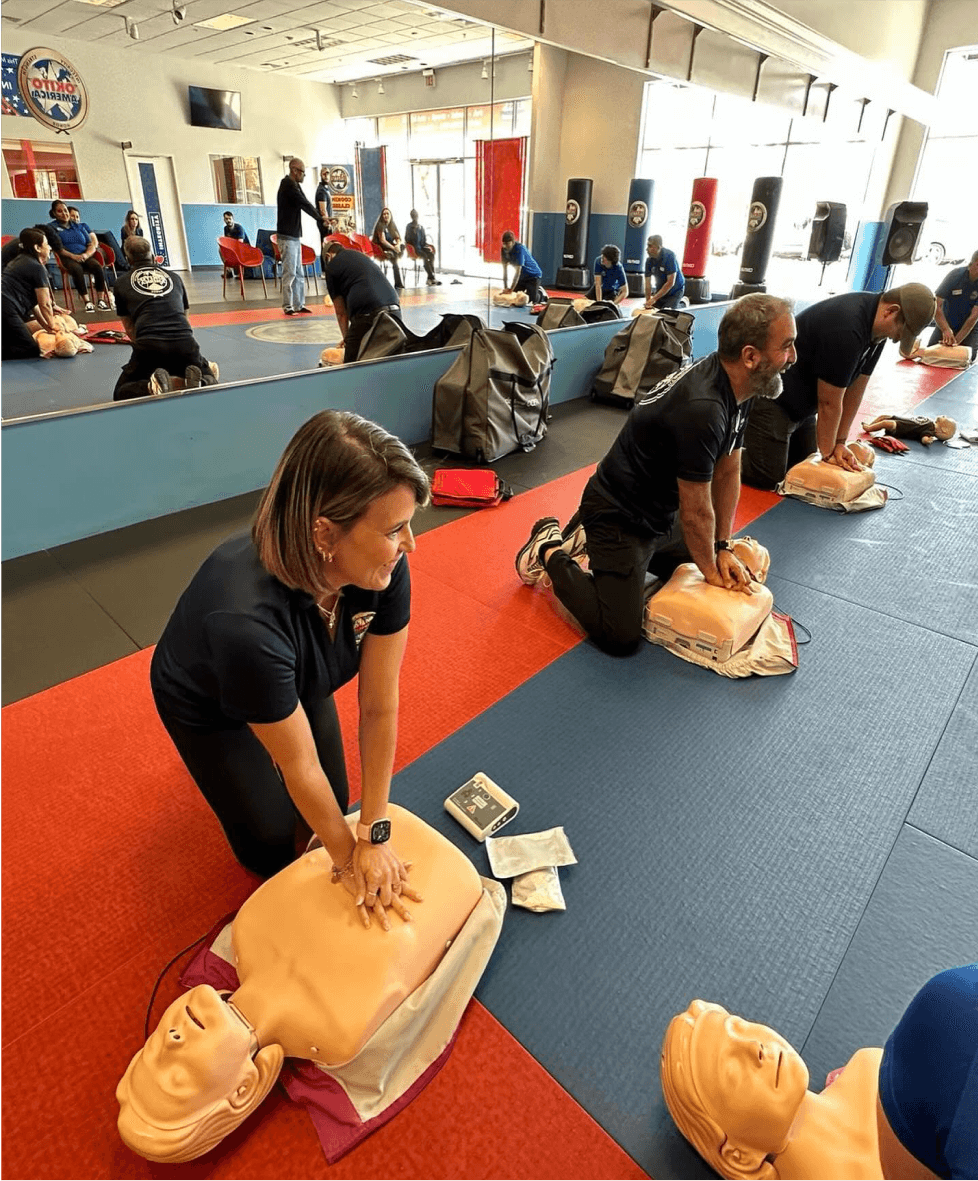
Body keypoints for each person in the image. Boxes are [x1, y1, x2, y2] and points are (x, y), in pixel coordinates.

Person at [115, 807, 499, 1165]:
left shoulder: (246, 932)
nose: (173, 1041)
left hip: (381, 834)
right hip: (434, 865)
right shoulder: (336, 1030)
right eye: (178, 1077)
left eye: (154, 1050)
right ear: (244, 1088)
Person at [150, 410, 428, 899]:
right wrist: (351, 865)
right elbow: (299, 766)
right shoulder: (243, 623)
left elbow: (379, 705)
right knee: (271, 847)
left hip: (295, 675)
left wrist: (373, 832)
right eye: (393, 530)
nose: (409, 543)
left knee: (335, 806)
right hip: (207, 702)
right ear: (324, 534)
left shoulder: (384, 570)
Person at [515, 294, 797, 656]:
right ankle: (550, 547)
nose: (793, 358)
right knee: (620, 637)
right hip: (620, 516)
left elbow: (728, 471)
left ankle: (597, 545)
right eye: (786, 347)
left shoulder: (742, 385)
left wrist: (722, 546)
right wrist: (710, 571)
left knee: (724, 561)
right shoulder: (704, 408)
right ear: (750, 356)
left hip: (663, 513)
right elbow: (696, 511)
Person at [660, 964, 978, 1181]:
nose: (755, 1047)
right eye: (731, 1069)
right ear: (738, 1156)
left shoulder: (861, 1071)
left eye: (741, 1027)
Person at [740, 284, 936, 491]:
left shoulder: (877, 332)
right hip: (772, 398)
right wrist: (828, 454)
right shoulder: (847, 327)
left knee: (799, 469)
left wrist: (840, 442)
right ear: (891, 311)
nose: (897, 339)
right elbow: (829, 402)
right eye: (900, 332)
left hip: (802, 408)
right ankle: (721, 454)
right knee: (769, 476)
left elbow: (856, 390)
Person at [111, 234, 217, 400]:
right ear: (153, 257)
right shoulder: (174, 277)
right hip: (185, 342)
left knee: (121, 392)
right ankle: (203, 381)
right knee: (211, 376)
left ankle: (151, 386)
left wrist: (147, 355)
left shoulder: (121, 282)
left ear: (128, 260)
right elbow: (185, 317)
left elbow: (130, 329)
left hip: (149, 345)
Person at [322, 240, 401, 363]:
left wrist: (348, 340)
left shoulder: (332, 268)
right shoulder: (360, 256)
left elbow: (341, 313)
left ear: (328, 256)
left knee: (351, 364)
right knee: (391, 358)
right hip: (394, 307)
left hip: (368, 311)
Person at [0, 228, 62, 359]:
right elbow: (45, 304)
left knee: (11, 340)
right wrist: (53, 325)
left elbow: (35, 306)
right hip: (6, 307)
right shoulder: (37, 267)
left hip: (6, 306)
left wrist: (48, 328)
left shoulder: (21, 259)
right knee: (30, 349)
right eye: (47, 244)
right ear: (38, 248)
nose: (50, 248)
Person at [276, 157, 324, 316]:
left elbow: (306, 203)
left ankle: (298, 304)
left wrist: (320, 216)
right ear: (294, 171)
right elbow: (304, 203)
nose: (304, 176)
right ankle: (287, 305)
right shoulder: (288, 185)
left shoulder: (295, 184)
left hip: (295, 236)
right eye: (302, 172)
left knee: (299, 273)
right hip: (287, 237)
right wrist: (320, 218)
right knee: (289, 273)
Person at [48, 198, 112, 312]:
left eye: (65, 210)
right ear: (54, 213)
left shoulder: (78, 226)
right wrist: (73, 256)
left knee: (97, 267)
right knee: (76, 269)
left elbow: (90, 243)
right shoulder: (51, 228)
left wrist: (86, 255)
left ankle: (101, 300)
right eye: (60, 211)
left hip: (84, 255)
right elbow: (57, 249)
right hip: (67, 258)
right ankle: (87, 301)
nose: (64, 213)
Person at [929, 249, 978, 349]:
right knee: (931, 352)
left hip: (969, 328)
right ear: (973, 264)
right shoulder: (955, 276)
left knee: (966, 357)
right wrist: (945, 329)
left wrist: (955, 343)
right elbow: (936, 305)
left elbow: (974, 317)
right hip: (946, 322)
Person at [501, 230, 547, 304]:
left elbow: (517, 272)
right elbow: (504, 271)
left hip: (533, 275)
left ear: (513, 242)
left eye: (508, 244)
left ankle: (540, 294)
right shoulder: (504, 250)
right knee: (515, 298)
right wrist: (506, 288)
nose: (506, 246)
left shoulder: (519, 248)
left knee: (531, 301)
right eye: (504, 244)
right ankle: (532, 292)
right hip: (522, 277)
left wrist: (511, 289)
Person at [861, 412, 956, 446]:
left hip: (900, 428)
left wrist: (927, 440)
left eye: (946, 418)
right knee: (883, 417)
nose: (945, 416)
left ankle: (869, 428)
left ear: (944, 430)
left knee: (884, 423)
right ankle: (871, 425)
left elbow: (924, 437)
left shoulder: (930, 430)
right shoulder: (931, 423)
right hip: (900, 420)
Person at [644, 234, 685, 310]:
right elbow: (647, 284)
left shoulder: (669, 256)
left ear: (659, 247)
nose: (647, 249)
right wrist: (648, 301)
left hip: (675, 290)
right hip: (661, 289)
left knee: (666, 312)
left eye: (650, 246)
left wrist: (654, 299)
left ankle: (682, 304)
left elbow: (670, 283)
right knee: (654, 311)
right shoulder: (649, 261)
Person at [371, 207, 405, 290]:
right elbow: (382, 240)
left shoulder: (392, 225)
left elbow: (398, 238)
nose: (385, 215)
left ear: (390, 215)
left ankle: (394, 255)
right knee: (394, 259)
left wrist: (398, 245)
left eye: (387, 214)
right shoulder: (380, 225)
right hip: (381, 248)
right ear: (382, 216)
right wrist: (394, 248)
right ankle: (398, 284)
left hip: (390, 247)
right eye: (384, 214)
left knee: (402, 246)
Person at [404, 209, 440, 286]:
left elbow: (424, 240)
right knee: (424, 256)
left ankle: (430, 277)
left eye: (416, 215)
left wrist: (427, 246)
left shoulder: (421, 227)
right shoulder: (409, 227)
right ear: (411, 217)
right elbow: (407, 239)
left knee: (431, 254)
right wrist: (413, 234)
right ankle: (431, 277)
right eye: (413, 215)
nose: (415, 217)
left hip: (422, 246)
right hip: (414, 248)